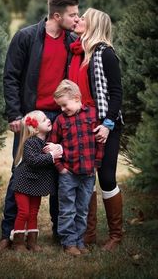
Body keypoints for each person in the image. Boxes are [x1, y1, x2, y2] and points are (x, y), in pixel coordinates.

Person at [0, 0, 79, 250]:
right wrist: (14, 115)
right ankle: (8, 232)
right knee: (20, 172)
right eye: (72, 14)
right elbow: (11, 77)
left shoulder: (73, 42)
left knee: (58, 174)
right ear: (56, 16)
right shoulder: (26, 37)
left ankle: (59, 233)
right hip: (32, 117)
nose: (77, 19)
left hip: (60, 118)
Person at [69, 8, 123, 251]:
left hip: (107, 124)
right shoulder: (82, 53)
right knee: (86, 176)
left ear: (94, 26)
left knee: (107, 177)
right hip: (87, 123)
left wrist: (108, 124)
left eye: (83, 19)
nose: (78, 20)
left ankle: (115, 235)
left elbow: (116, 93)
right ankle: (87, 234)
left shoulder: (106, 54)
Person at [47, 79, 104, 256]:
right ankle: (68, 242)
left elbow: (100, 143)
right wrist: (60, 167)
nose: (62, 109)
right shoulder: (59, 121)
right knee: (67, 209)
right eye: (60, 106)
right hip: (68, 173)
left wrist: (96, 165)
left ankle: (80, 241)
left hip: (87, 173)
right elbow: (52, 145)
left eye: (64, 105)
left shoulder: (93, 115)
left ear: (77, 98)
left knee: (82, 209)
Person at [9, 110, 62, 253]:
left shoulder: (47, 142)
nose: (49, 120)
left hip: (36, 184)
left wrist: (56, 150)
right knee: (23, 212)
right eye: (44, 119)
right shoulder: (30, 143)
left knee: (33, 212)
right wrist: (51, 156)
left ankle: (32, 242)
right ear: (36, 128)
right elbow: (33, 161)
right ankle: (18, 243)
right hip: (23, 183)